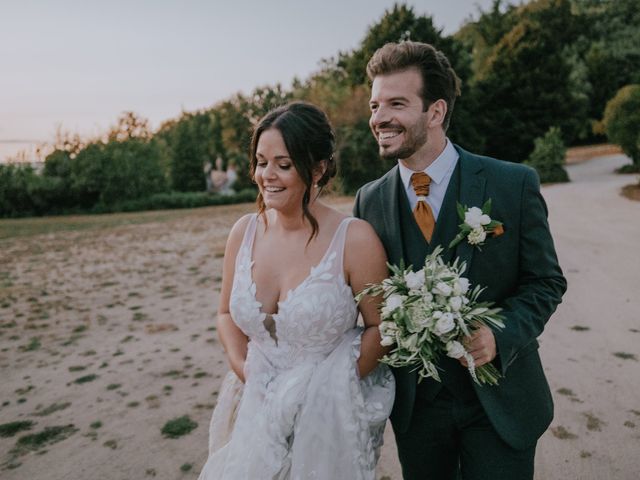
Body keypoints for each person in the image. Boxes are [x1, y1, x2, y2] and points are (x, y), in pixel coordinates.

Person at [353, 41, 567, 480]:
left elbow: (546, 282)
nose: (378, 118)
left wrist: (498, 335)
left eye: (396, 103)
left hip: (501, 402)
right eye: (375, 105)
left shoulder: (514, 184)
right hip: (418, 412)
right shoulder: (368, 202)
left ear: (435, 111)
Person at [198, 101, 395, 480]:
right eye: (261, 161)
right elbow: (225, 314)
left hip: (327, 416)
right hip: (251, 402)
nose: (266, 175)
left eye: (283, 165)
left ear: (318, 168)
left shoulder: (354, 239)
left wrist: (324, 393)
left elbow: (382, 329)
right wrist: (248, 373)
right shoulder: (243, 231)